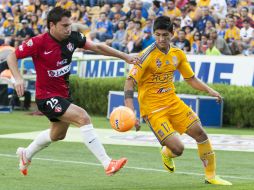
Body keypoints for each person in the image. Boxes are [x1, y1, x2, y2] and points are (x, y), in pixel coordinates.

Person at [7, 7, 139, 176]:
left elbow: (97, 47)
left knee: (57, 135)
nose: (68, 28)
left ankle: (27, 154)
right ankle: (107, 163)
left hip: (63, 95)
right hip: (46, 96)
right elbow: (12, 56)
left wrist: (125, 56)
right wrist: (18, 78)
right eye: (64, 25)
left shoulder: (73, 38)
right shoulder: (39, 42)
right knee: (83, 117)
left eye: (69, 24)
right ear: (51, 25)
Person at [124, 16, 232, 185]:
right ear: (153, 34)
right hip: (153, 110)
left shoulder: (178, 54)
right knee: (178, 149)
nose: (161, 39)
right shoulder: (145, 56)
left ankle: (211, 177)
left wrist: (210, 90)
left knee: (201, 133)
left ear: (172, 34)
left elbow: (191, 78)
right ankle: (166, 153)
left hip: (173, 102)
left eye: (165, 35)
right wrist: (130, 111)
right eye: (157, 35)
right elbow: (129, 81)